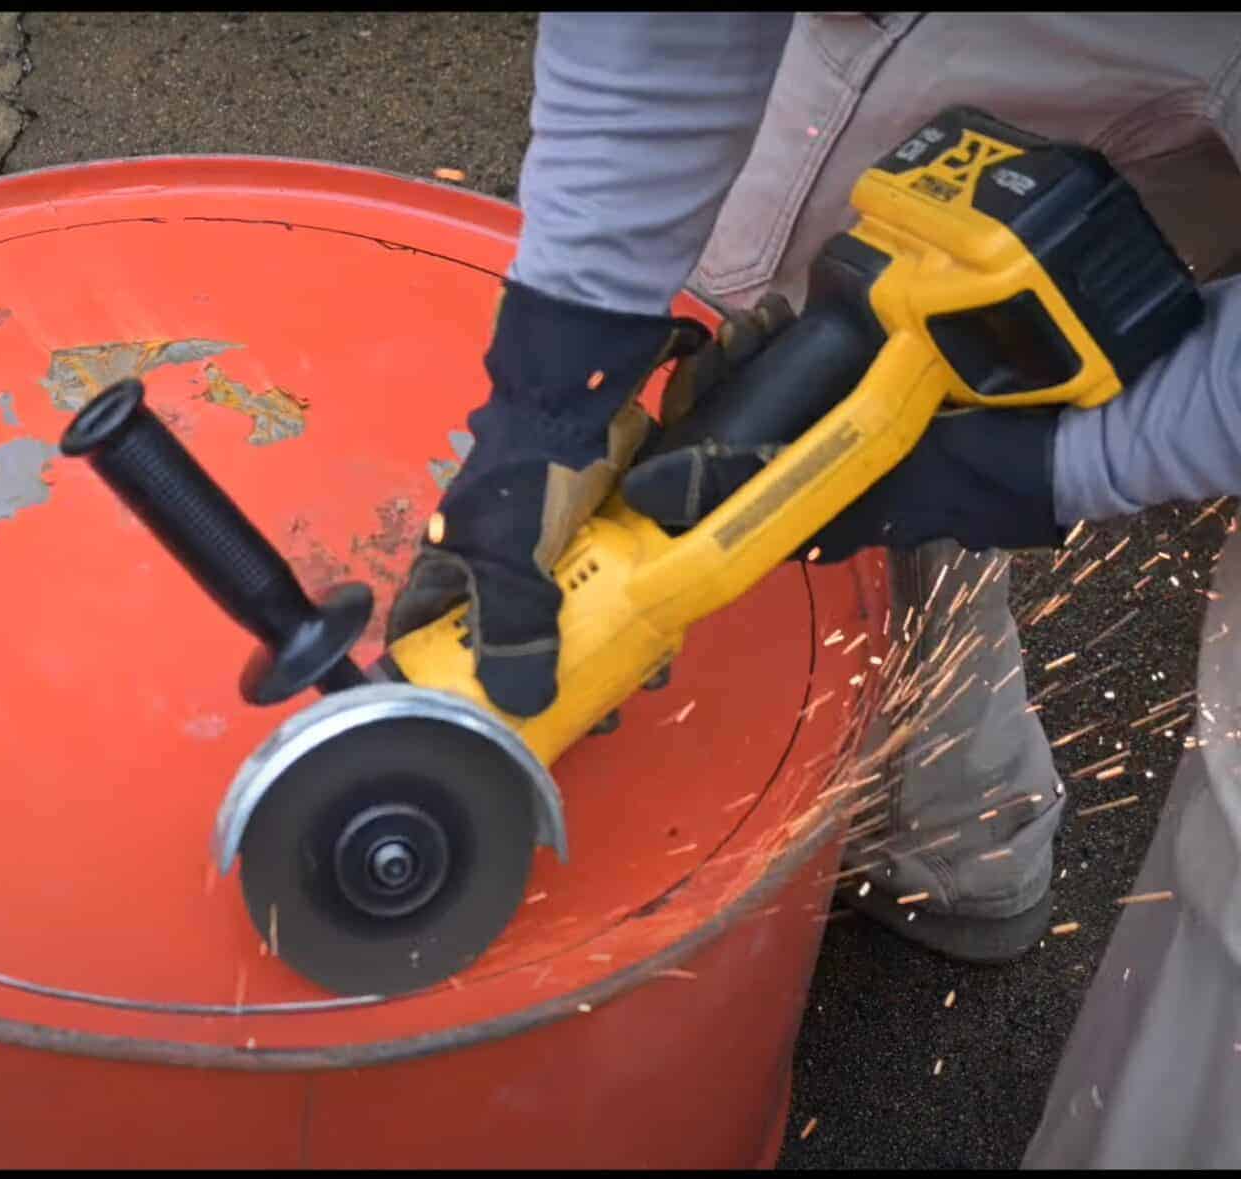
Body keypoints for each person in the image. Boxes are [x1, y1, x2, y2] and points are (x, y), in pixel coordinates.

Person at [388, 13, 1241, 1166]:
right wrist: (561, 373)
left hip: (1171, 85)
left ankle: (963, 869)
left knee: (899, 467)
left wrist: (1059, 463)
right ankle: (957, 843)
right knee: (797, 379)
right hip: (916, 114)